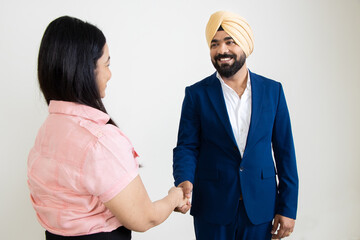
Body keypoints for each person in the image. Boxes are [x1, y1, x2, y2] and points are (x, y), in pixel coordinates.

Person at [27, 16, 188, 240]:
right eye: (107, 64)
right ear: (85, 70)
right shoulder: (99, 140)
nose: (110, 74)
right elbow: (144, 218)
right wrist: (175, 196)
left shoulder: (48, 130)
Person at [173, 11, 299, 240]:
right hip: (212, 207)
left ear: (245, 45)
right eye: (215, 44)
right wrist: (184, 181)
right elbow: (186, 146)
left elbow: (285, 152)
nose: (222, 50)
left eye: (230, 42)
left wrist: (288, 207)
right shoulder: (196, 95)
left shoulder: (273, 92)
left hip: (261, 207)